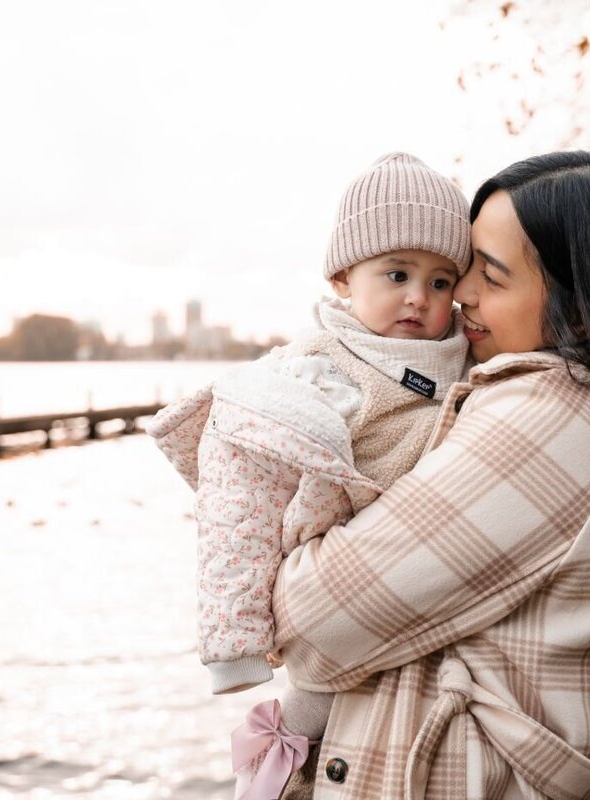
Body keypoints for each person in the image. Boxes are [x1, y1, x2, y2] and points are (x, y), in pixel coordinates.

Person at [269, 151, 590, 799]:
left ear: (581, 308)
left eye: (488, 275)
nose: (459, 294)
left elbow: (315, 619)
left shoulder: (552, 415)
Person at [146, 153, 473, 798]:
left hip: (428, 572)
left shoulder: (465, 360)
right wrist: (237, 642)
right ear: (343, 280)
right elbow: (239, 501)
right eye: (398, 273)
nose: (419, 297)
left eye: (441, 283)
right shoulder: (317, 370)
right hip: (334, 567)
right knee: (316, 710)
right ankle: (274, 769)